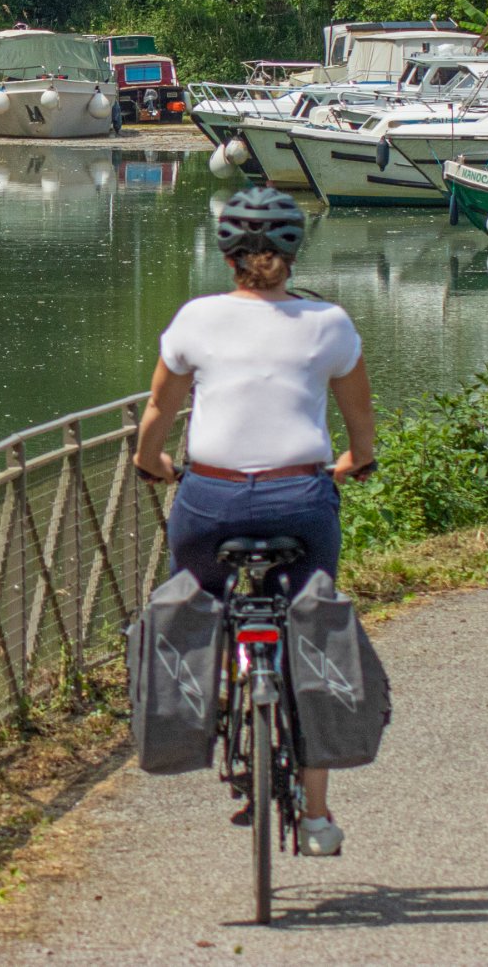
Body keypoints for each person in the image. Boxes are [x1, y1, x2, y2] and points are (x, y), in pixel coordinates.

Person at [133, 186, 378, 857]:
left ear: (227, 253)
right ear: (295, 250)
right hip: (300, 499)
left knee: (200, 605)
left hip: (208, 502)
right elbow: (360, 424)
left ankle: (209, 698)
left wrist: (150, 462)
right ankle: (319, 812)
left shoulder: (195, 319)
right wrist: (356, 461)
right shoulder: (330, 323)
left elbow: (157, 415)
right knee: (314, 625)